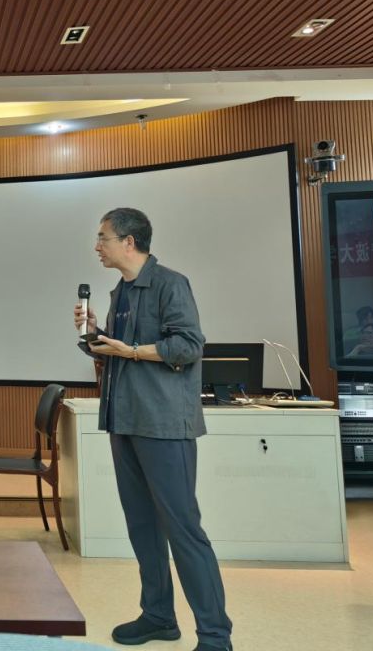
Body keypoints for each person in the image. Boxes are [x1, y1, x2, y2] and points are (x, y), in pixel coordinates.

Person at [74, 208, 232, 651]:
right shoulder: (121, 291)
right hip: (124, 420)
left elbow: (188, 345)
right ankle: (159, 616)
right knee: (142, 525)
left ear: (129, 241)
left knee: (183, 529)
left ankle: (216, 636)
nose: (97, 246)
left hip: (163, 424)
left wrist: (130, 350)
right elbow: (121, 351)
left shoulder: (170, 284)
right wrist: (96, 335)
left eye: (103, 238)